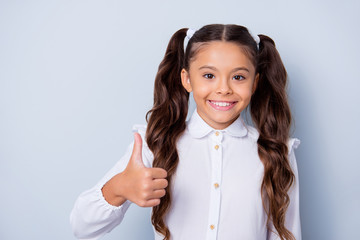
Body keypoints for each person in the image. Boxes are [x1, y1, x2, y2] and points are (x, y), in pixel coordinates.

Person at [70, 24, 301, 240]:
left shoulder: (277, 152)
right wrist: (119, 187)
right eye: (209, 75)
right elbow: (81, 225)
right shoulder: (156, 142)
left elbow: (288, 234)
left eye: (238, 77)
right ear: (187, 79)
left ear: (255, 83)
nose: (223, 89)